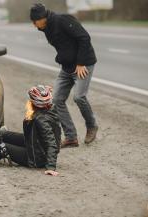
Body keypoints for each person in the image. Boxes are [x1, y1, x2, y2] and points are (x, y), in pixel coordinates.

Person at [30, 3, 98, 147]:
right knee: (56, 100)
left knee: (79, 97)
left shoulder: (63, 20)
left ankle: (91, 126)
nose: (34, 25)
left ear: (41, 18)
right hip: (67, 68)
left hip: (83, 65)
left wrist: (80, 62)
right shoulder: (46, 28)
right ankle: (71, 137)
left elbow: (84, 38)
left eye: (34, 21)